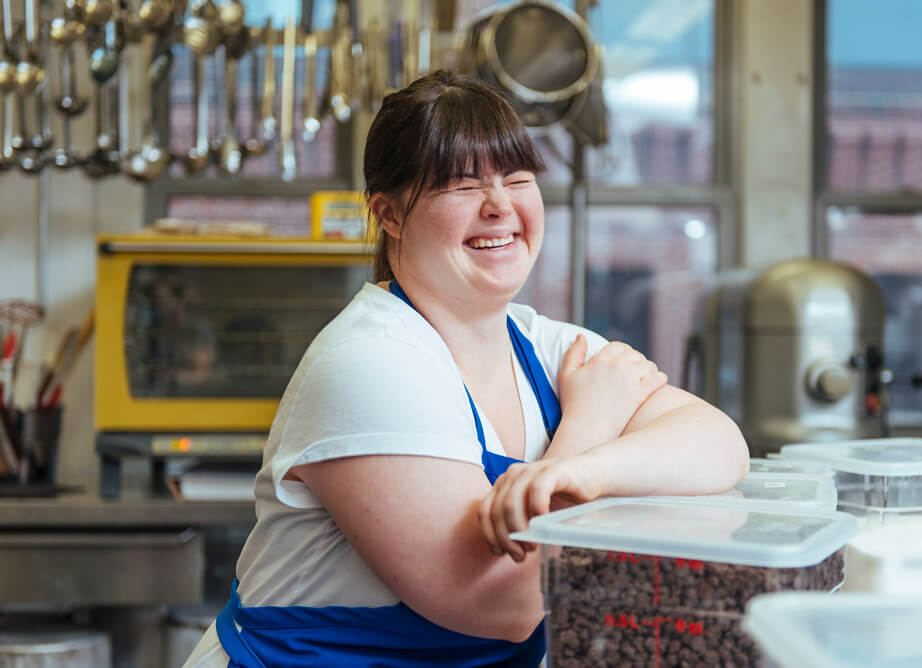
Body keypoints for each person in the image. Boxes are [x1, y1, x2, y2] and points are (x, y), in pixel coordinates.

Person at [183, 70, 749, 668]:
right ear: (391, 214)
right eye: (461, 184)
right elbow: (501, 605)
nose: (500, 205)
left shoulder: (540, 344)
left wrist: (589, 470)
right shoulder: (369, 363)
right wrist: (584, 430)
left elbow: (720, 445)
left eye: (516, 177)